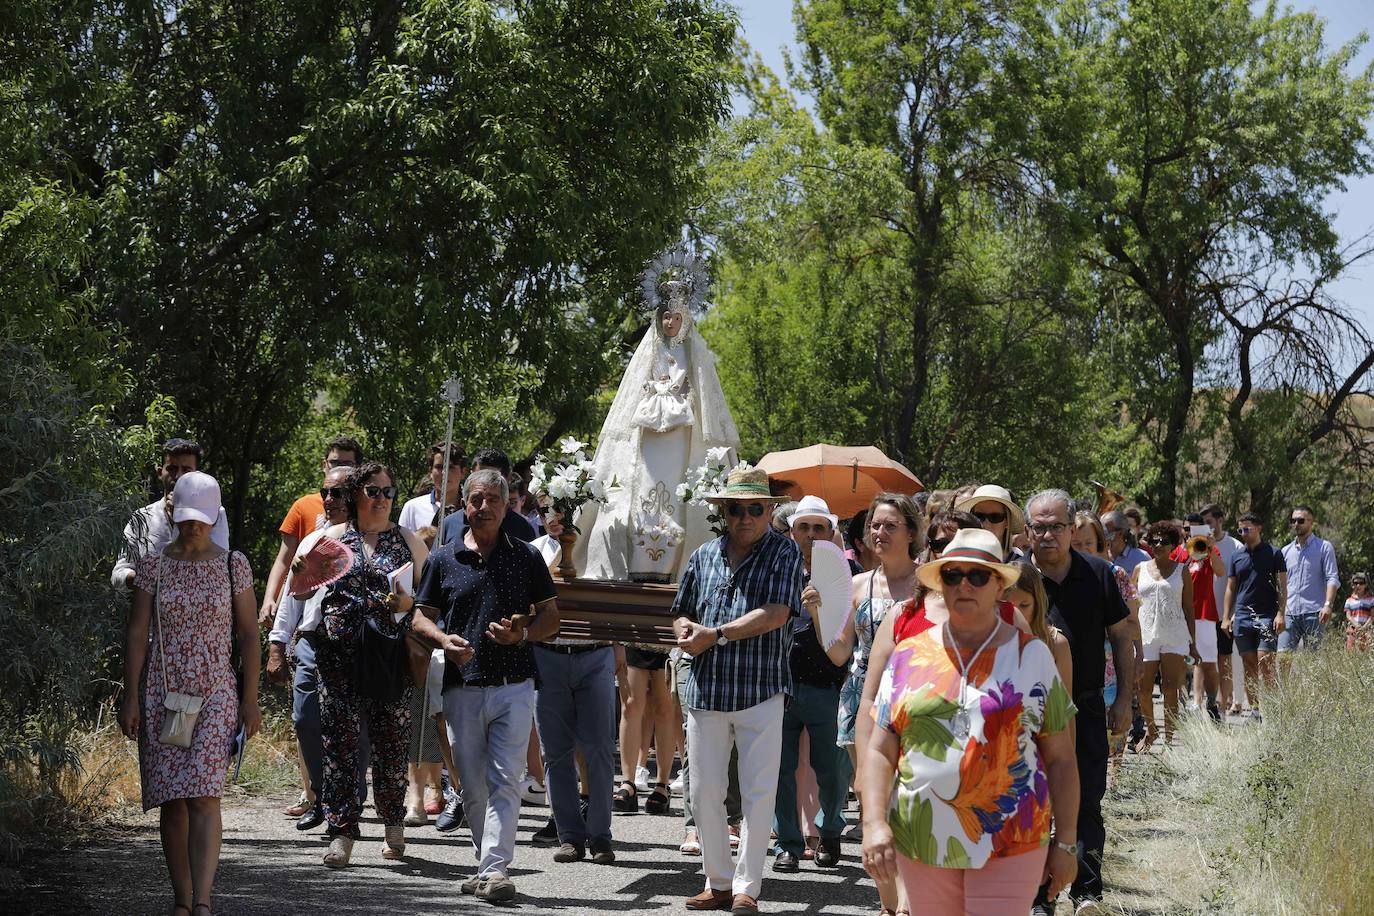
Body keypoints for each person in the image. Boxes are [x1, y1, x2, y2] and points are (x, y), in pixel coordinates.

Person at [860, 527, 1080, 916]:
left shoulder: (1033, 656)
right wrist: (874, 823)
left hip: (1012, 837)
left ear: (999, 586)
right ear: (940, 584)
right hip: (921, 837)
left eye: (978, 575)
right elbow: (881, 747)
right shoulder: (907, 654)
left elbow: (1061, 758)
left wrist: (1065, 843)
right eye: (952, 575)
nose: (964, 585)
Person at [412, 469, 562, 903]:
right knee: (473, 784)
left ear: (507, 504)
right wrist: (443, 640)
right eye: (476, 500)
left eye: (493, 499)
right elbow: (420, 616)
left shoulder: (526, 556)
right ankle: (486, 862)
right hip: (462, 685)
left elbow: (552, 618)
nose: (484, 507)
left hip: (514, 684)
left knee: (504, 778)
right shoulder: (443, 558)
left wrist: (524, 635)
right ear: (464, 504)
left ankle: (495, 870)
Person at [118, 471, 261, 916]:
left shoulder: (232, 563)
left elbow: (250, 634)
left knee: (203, 793)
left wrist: (250, 698)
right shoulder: (153, 564)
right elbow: (138, 632)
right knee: (173, 798)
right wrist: (132, 695)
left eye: (201, 518)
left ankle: (202, 900)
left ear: (214, 515)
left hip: (216, 688)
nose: (193, 526)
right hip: (165, 688)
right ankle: (181, 899)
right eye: (186, 518)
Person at [671, 466, 801, 916]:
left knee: (757, 791)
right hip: (707, 689)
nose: (744, 516)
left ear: (769, 511)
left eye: (754, 508)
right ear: (723, 512)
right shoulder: (704, 553)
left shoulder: (785, 552)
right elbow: (681, 611)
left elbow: (778, 613)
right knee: (704, 791)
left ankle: (748, 886)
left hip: (761, 688)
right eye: (735, 508)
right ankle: (718, 882)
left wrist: (717, 634)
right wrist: (686, 629)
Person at [573, 247, 741, 583]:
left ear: (686, 318)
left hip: (682, 433)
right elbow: (632, 393)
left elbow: (707, 397)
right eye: (665, 315)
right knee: (643, 489)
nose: (669, 322)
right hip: (648, 432)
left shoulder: (696, 353)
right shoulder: (648, 352)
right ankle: (636, 559)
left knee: (677, 492)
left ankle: (678, 563)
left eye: (675, 316)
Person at [314, 462, 429, 867]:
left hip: (388, 657)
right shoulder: (330, 538)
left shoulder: (408, 541)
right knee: (340, 747)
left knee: (391, 744)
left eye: (388, 492)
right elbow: (303, 592)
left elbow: (431, 601)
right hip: (339, 659)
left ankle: (393, 824)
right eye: (374, 491)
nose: (382, 499)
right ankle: (342, 832)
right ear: (356, 494)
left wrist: (409, 603)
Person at [1026, 489, 1133, 916]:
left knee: (1087, 799)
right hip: (1024, 713)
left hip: (1085, 707)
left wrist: (1125, 699)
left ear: (1073, 529)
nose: (1047, 535)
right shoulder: (1013, 578)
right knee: (1032, 803)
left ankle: (1087, 892)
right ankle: (1036, 897)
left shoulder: (1099, 573)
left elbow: (1122, 637)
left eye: (1056, 527)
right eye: (1039, 526)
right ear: (1027, 530)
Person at [820, 494, 921, 914]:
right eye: (875, 526)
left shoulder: (927, 584)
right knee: (875, 806)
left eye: (890, 525)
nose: (879, 533)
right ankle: (888, 905)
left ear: (911, 533)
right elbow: (840, 654)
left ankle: (909, 899)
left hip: (913, 700)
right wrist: (819, 614)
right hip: (861, 701)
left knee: (909, 807)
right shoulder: (857, 584)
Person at [265, 465, 355, 831]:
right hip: (310, 641)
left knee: (348, 729)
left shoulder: (367, 544)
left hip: (350, 645)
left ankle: (342, 806)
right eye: (325, 493)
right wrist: (276, 644)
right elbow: (291, 598)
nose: (328, 500)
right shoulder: (311, 542)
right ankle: (320, 795)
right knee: (305, 718)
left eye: (337, 493)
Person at [773, 496, 852, 873]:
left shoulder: (845, 573)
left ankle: (831, 831)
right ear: (791, 532)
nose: (809, 535)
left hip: (827, 683)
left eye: (818, 528)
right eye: (803, 527)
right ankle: (787, 843)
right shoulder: (776, 571)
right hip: (780, 684)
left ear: (830, 533)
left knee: (832, 770)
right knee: (780, 769)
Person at [258, 435, 363, 626]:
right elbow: (284, 559)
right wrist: (269, 599)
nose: (330, 500)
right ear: (324, 464)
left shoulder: (366, 512)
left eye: (347, 463)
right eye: (334, 462)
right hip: (300, 602)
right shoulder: (303, 505)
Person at [112, 438, 230, 591]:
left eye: (186, 470)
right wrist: (145, 580)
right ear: (160, 472)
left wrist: (180, 520)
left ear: (197, 474)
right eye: (172, 469)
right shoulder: (141, 518)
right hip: (150, 612)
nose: (179, 476)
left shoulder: (214, 515)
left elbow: (218, 567)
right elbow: (118, 575)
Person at [1133, 522, 1196, 748]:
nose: (1158, 545)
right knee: (1144, 689)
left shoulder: (1182, 571)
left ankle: (1169, 741)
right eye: (1154, 541)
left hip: (1175, 634)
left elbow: (1189, 609)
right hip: (1146, 634)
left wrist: (1193, 644)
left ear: (1173, 545)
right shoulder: (1139, 569)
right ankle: (1152, 731)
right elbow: (1131, 603)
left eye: (1164, 541)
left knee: (1170, 687)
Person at [1222, 513, 1287, 708]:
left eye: (1247, 529)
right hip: (1242, 617)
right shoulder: (1236, 556)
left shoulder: (1274, 553)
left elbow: (1282, 586)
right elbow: (1230, 588)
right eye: (1240, 530)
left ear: (1258, 528)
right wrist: (1226, 617)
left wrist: (1281, 613)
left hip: (1267, 616)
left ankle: (1274, 710)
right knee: (1249, 666)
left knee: (1265, 664)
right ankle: (1256, 712)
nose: (1243, 533)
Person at [1172, 514, 1223, 720]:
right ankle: (1182, 708)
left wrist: (1210, 549)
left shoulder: (1208, 547)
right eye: (1186, 529)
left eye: (1193, 529)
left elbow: (1220, 571)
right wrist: (1182, 550)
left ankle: (1211, 705)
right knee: (1180, 665)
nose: (1189, 532)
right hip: (1180, 615)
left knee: (1208, 663)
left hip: (1203, 614)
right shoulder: (1178, 551)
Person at [1004, 561, 1074, 702]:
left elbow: (1066, 711)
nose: (1016, 613)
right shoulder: (986, 641)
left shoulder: (1056, 645)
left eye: (1024, 605)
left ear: (1037, 604)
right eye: (1007, 606)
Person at [439, 447, 538, 545]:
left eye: (492, 479)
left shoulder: (522, 529)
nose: (484, 484)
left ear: (507, 480)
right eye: (479, 476)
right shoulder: (448, 526)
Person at [1201, 504, 1244, 714]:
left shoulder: (1235, 545)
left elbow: (1240, 581)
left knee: (1224, 660)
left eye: (1209, 521)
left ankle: (1223, 707)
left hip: (1225, 614)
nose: (1207, 527)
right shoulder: (1197, 544)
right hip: (1203, 615)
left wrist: (1234, 612)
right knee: (1203, 661)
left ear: (1220, 520)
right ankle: (1203, 704)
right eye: (1203, 523)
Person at [1279, 505, 1340, 653]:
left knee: (1313, 660)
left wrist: (1328, 605)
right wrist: (1279, 612)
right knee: (1283, 657)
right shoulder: (1285, 551)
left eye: (1300, 520)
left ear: (1311, 522)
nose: (1296, 524)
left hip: (1314, 613)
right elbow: (1281, 585)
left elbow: (1332, 577)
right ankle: (1287, 679)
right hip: (1290, 613)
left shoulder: (1324, 547)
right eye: (1293, 521)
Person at [397, 441, 467, 532]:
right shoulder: (412, 508)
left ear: (463, 472)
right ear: (430, 471)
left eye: (450, 467)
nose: (444, 473)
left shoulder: (471, 508)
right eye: (439, 467)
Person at [955, 483, 1026, 560]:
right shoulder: (957, 558)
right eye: (979, 516)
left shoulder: (1020, 564)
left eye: (995, 517)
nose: (986, 524)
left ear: (1007, 522)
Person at [1100, 510, 1149, 575]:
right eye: (1100, 534)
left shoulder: (1141, 558)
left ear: (1120, 533)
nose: (1102, 539)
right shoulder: (1097, 555)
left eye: (1107, 534)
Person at [1344, 572, 1373, 651]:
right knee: (1351, 652)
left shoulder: (1371, 599)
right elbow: (1348, 616)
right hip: (1353, 630)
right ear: (1352, 585)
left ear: (1365, 585)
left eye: (1361, 583)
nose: (1358, 585)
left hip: (1366, 630)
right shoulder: (1349, 600)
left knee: (1366, 652)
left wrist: (1364, 627)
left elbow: (1372, 616)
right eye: (1356, 583)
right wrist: (1356, 625)